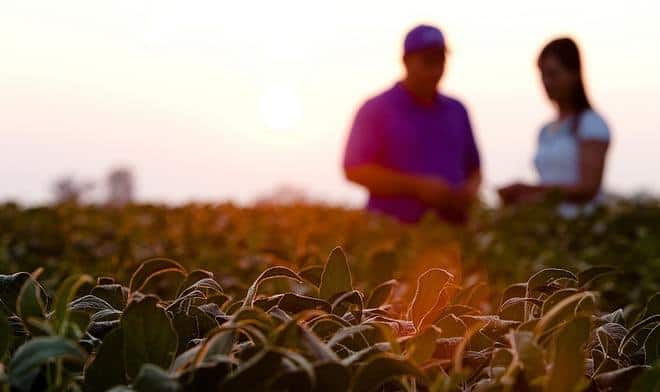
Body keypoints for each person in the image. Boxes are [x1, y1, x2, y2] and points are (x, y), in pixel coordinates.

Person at [343, 24, 482, 224]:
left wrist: (468, 192)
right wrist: (417, 187)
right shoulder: (376, 109)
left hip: (453, 232)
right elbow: (354, 169)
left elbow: (474, 169)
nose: (435, 69)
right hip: (390, 232)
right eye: (428, 60)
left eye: (440, 59)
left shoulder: (457, 110)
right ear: (406, 61)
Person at [498, 37, 611, 217]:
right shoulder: (545, 130)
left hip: (582, 227)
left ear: (574, 74)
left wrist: (530, 191)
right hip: (548, 226)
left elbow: (588, 188)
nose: (547, 82)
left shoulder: (591, 124)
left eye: (553, 74)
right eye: (543, 75)